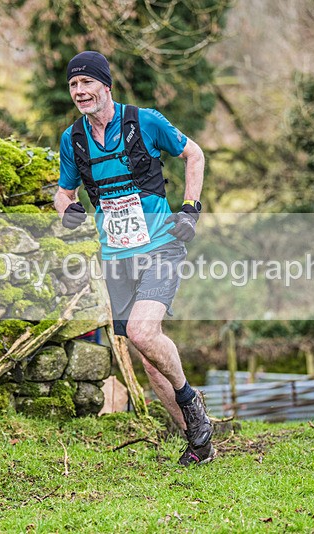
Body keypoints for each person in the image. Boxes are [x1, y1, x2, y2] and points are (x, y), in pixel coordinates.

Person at [53, 51, 215, 466]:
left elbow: (193, 154)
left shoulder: (146, 121)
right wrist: (66, 209)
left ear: (105, 86)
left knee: (144, 332)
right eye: (73, 85)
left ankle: (190, 403)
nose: (79, 91)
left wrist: (191, 209)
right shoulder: (73, 139)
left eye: (86, 83)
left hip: (160, 244)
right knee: (148, 358)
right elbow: (64, 192)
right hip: (116, 258)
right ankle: (199, 444)